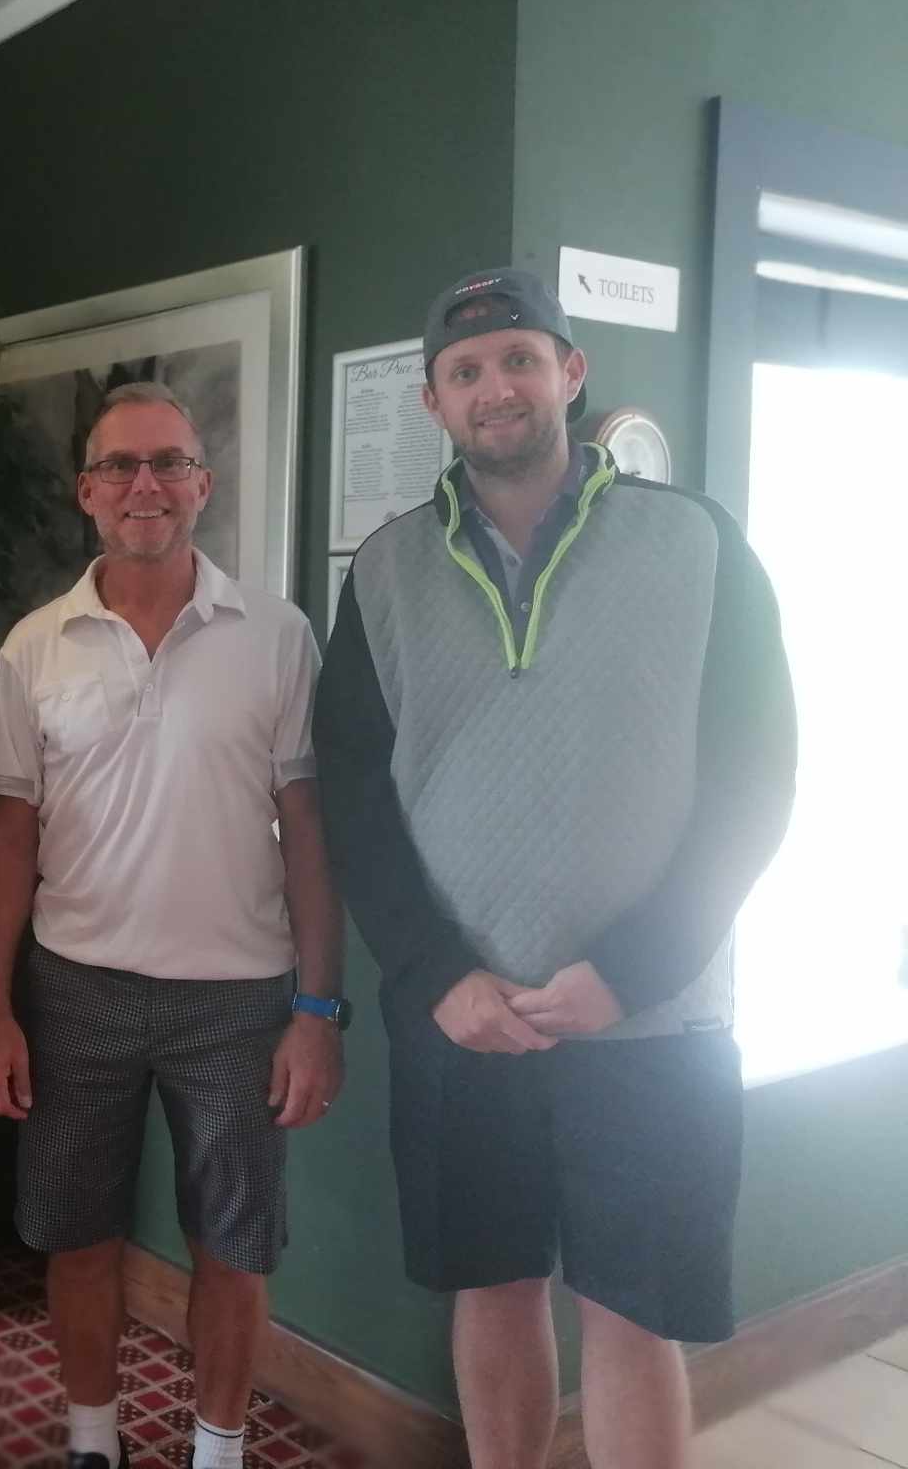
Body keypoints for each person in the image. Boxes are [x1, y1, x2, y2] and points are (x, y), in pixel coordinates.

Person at [314, 269, 797, 1469]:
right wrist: (434, 973)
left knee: (631, 1322)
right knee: (490, 1290)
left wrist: (632, 970)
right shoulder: (380, 571)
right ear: (432, 400)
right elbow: (353, 799)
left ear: (568, 375)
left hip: (654, 1024)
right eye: (466, 370)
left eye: (520, 359)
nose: (497, 388)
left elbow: (756, 779)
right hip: (459, 1021)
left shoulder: (695, 542)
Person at [0, 382, 347, 1469]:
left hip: (237, 999)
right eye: (122, 466)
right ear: (86, 491)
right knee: (76, 1235)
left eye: (168, 463)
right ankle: (95, 1442)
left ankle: (215, 1452)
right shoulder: (33, 648)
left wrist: (316, 1011)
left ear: (201, 484)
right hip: (76, 988)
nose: (147, 485)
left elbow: (308, 831)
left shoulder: (274, 636)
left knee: (231, 1246)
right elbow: (7, 840)